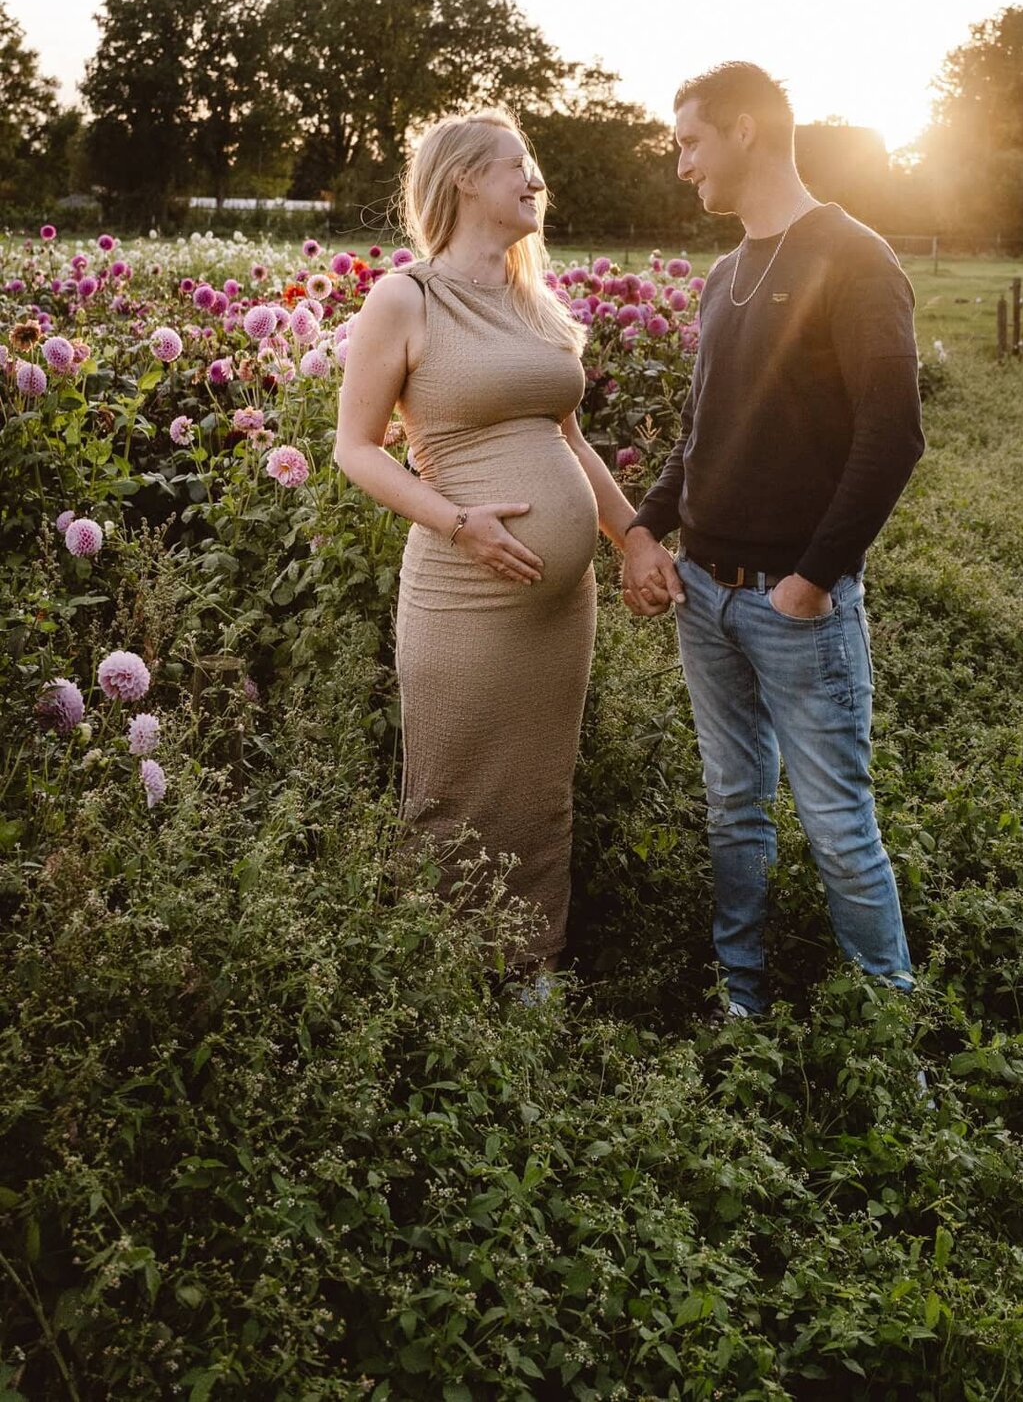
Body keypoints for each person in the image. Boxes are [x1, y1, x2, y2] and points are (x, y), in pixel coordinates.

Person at [621, 63, 925, 1018]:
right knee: (732, 808)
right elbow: (703, 431)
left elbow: (893, 436)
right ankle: (739, 1002)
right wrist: (643, 527)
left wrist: (812, 578)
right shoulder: (724, 274)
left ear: (746, 130)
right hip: (703, 598)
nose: (681, 166)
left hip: (799, 609)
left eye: (690, 142)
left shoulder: (856, 257)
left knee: (838, 826)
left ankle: (889, 1037)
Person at [335, 109, 636, 977]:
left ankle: (534, 963)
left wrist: (634, 540)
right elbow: (355, 448)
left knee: (541, 787)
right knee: (455, 784)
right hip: (462, 590)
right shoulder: (406, 296)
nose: (536, 179)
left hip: (557, 609)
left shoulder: (534, 304)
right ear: (465, 177)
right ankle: (440, 973)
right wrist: (457, 520)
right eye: (518, 166)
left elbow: (571, 443)